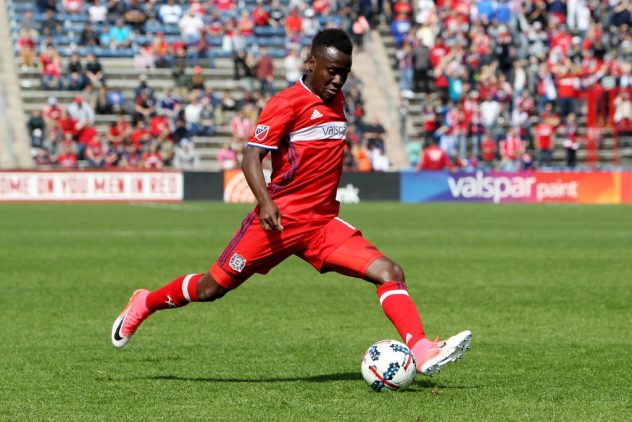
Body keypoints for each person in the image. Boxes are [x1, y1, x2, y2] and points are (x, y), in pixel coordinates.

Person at [111, 29, 472, 377]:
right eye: (332, 71)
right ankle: (145, 302)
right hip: (279, 223)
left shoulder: (337, 100)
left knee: (390, 272)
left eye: (344, 73)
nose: (338, 80)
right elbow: (251, 157)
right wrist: (266, 203)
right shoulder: (286, 103)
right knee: (212, 288)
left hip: (323, 225)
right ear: (311, 62)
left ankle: (422, 349)